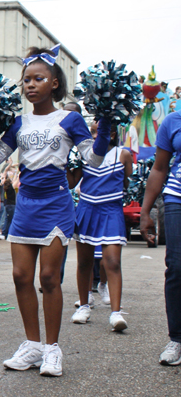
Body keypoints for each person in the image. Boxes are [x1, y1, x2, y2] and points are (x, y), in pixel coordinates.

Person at [0, 44, 111, 377]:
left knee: (49, 278)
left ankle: (52, 349)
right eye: (26, 80)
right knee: (21, 276)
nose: (30, 85)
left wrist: (106, 125)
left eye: (38, 78)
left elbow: (93, 159)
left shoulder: (70, 119)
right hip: (26, 206)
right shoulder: (19, 122)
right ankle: (32, 345)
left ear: (54, 83)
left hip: (56, 204)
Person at [68, 122, 132, 331]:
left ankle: (115, 313)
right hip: (87, 209)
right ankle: (84, 305)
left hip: (111, 211)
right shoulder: (83, 153)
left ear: (111, 133)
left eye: (96, 131)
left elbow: (127, 181)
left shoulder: (123, 154)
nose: (93, 135)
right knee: (84, 262)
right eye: (91, 131)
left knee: (112, 261)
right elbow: (72, 181)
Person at [140, 109, 181, 365]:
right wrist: (146, 211)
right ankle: (177, 339)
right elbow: (159, 167)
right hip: (177, 197)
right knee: (177, 266)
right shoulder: (173, 121)